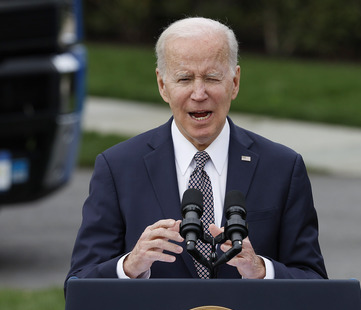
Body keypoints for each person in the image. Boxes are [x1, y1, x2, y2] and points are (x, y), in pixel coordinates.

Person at [67, 17, 326, 285]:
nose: (199, 93)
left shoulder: (282, 168)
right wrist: (130, 266)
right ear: (162, 85)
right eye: (184, 78)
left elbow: (315, 284)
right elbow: (78, 285)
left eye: (212, 77)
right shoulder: (118, 168)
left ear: (235, 82)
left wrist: (262, 270)